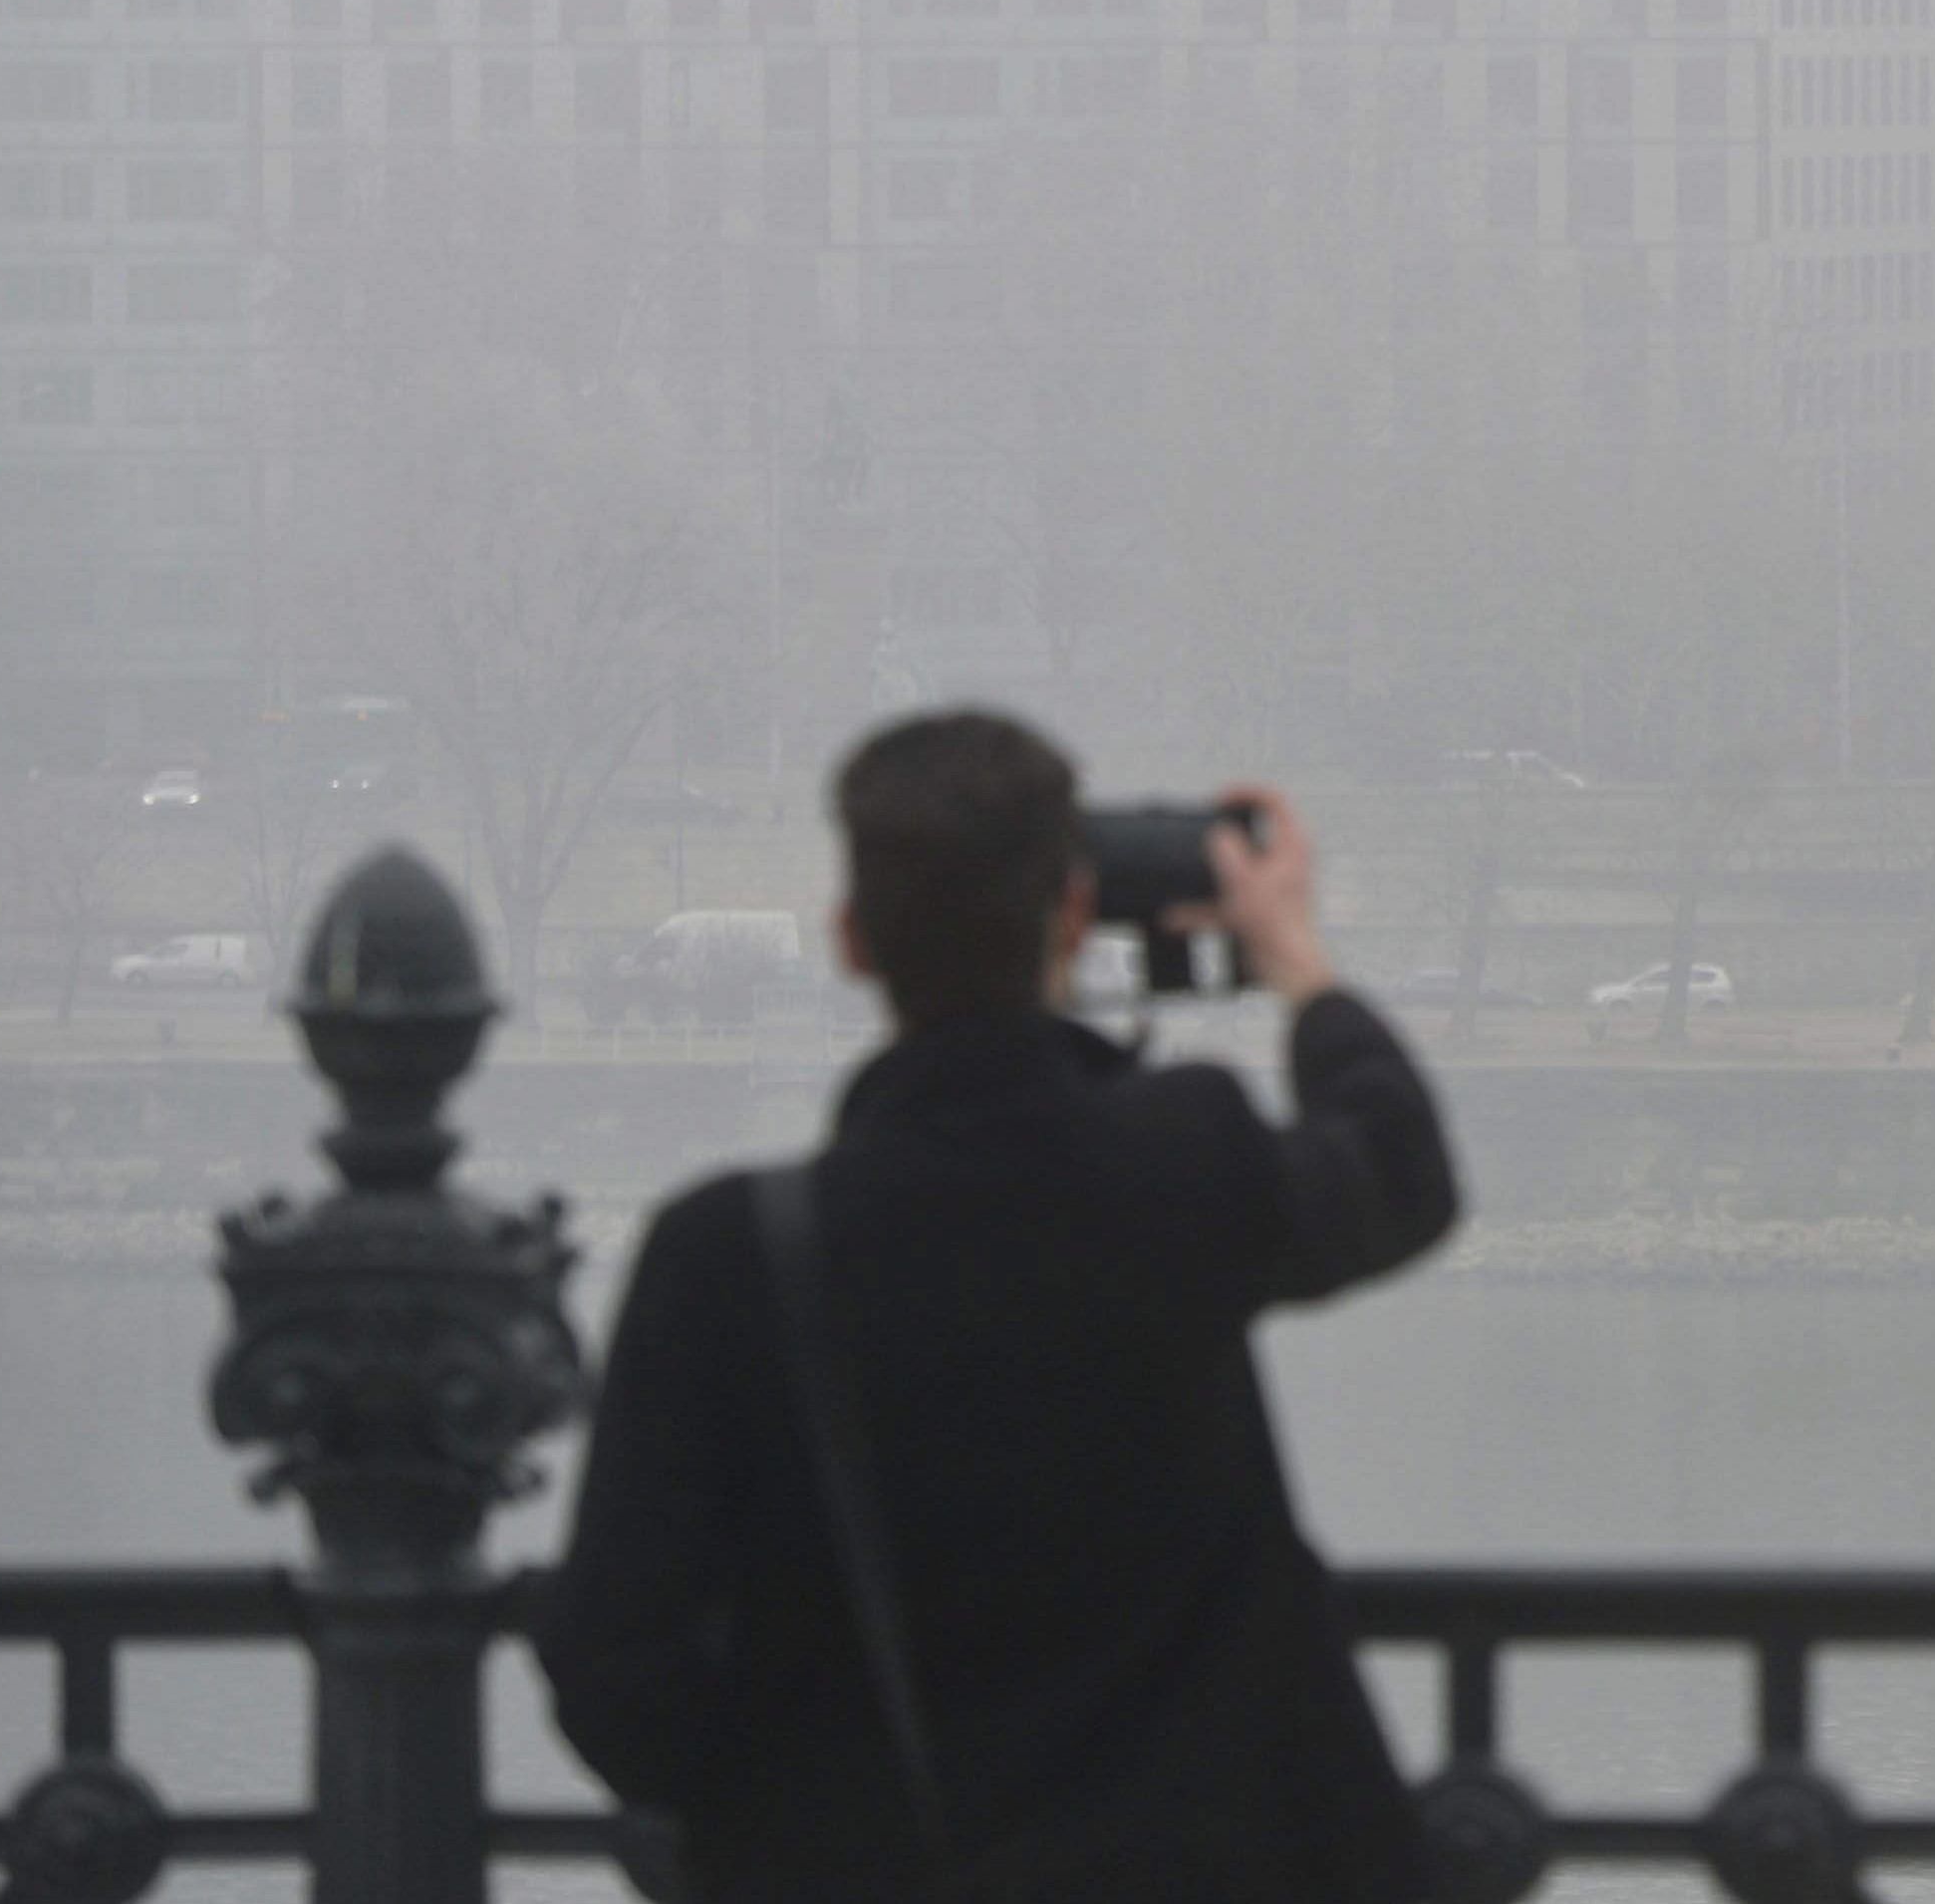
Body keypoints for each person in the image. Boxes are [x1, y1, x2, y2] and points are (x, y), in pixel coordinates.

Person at [539, 710, 1462, 1903]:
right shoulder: (1182, 1163)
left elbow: (615, 1670)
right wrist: (1290, 953)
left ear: (855, 942)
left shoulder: (732, 1259)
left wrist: (799, 1812)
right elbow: (1399, 1167)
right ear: (1071, 917)